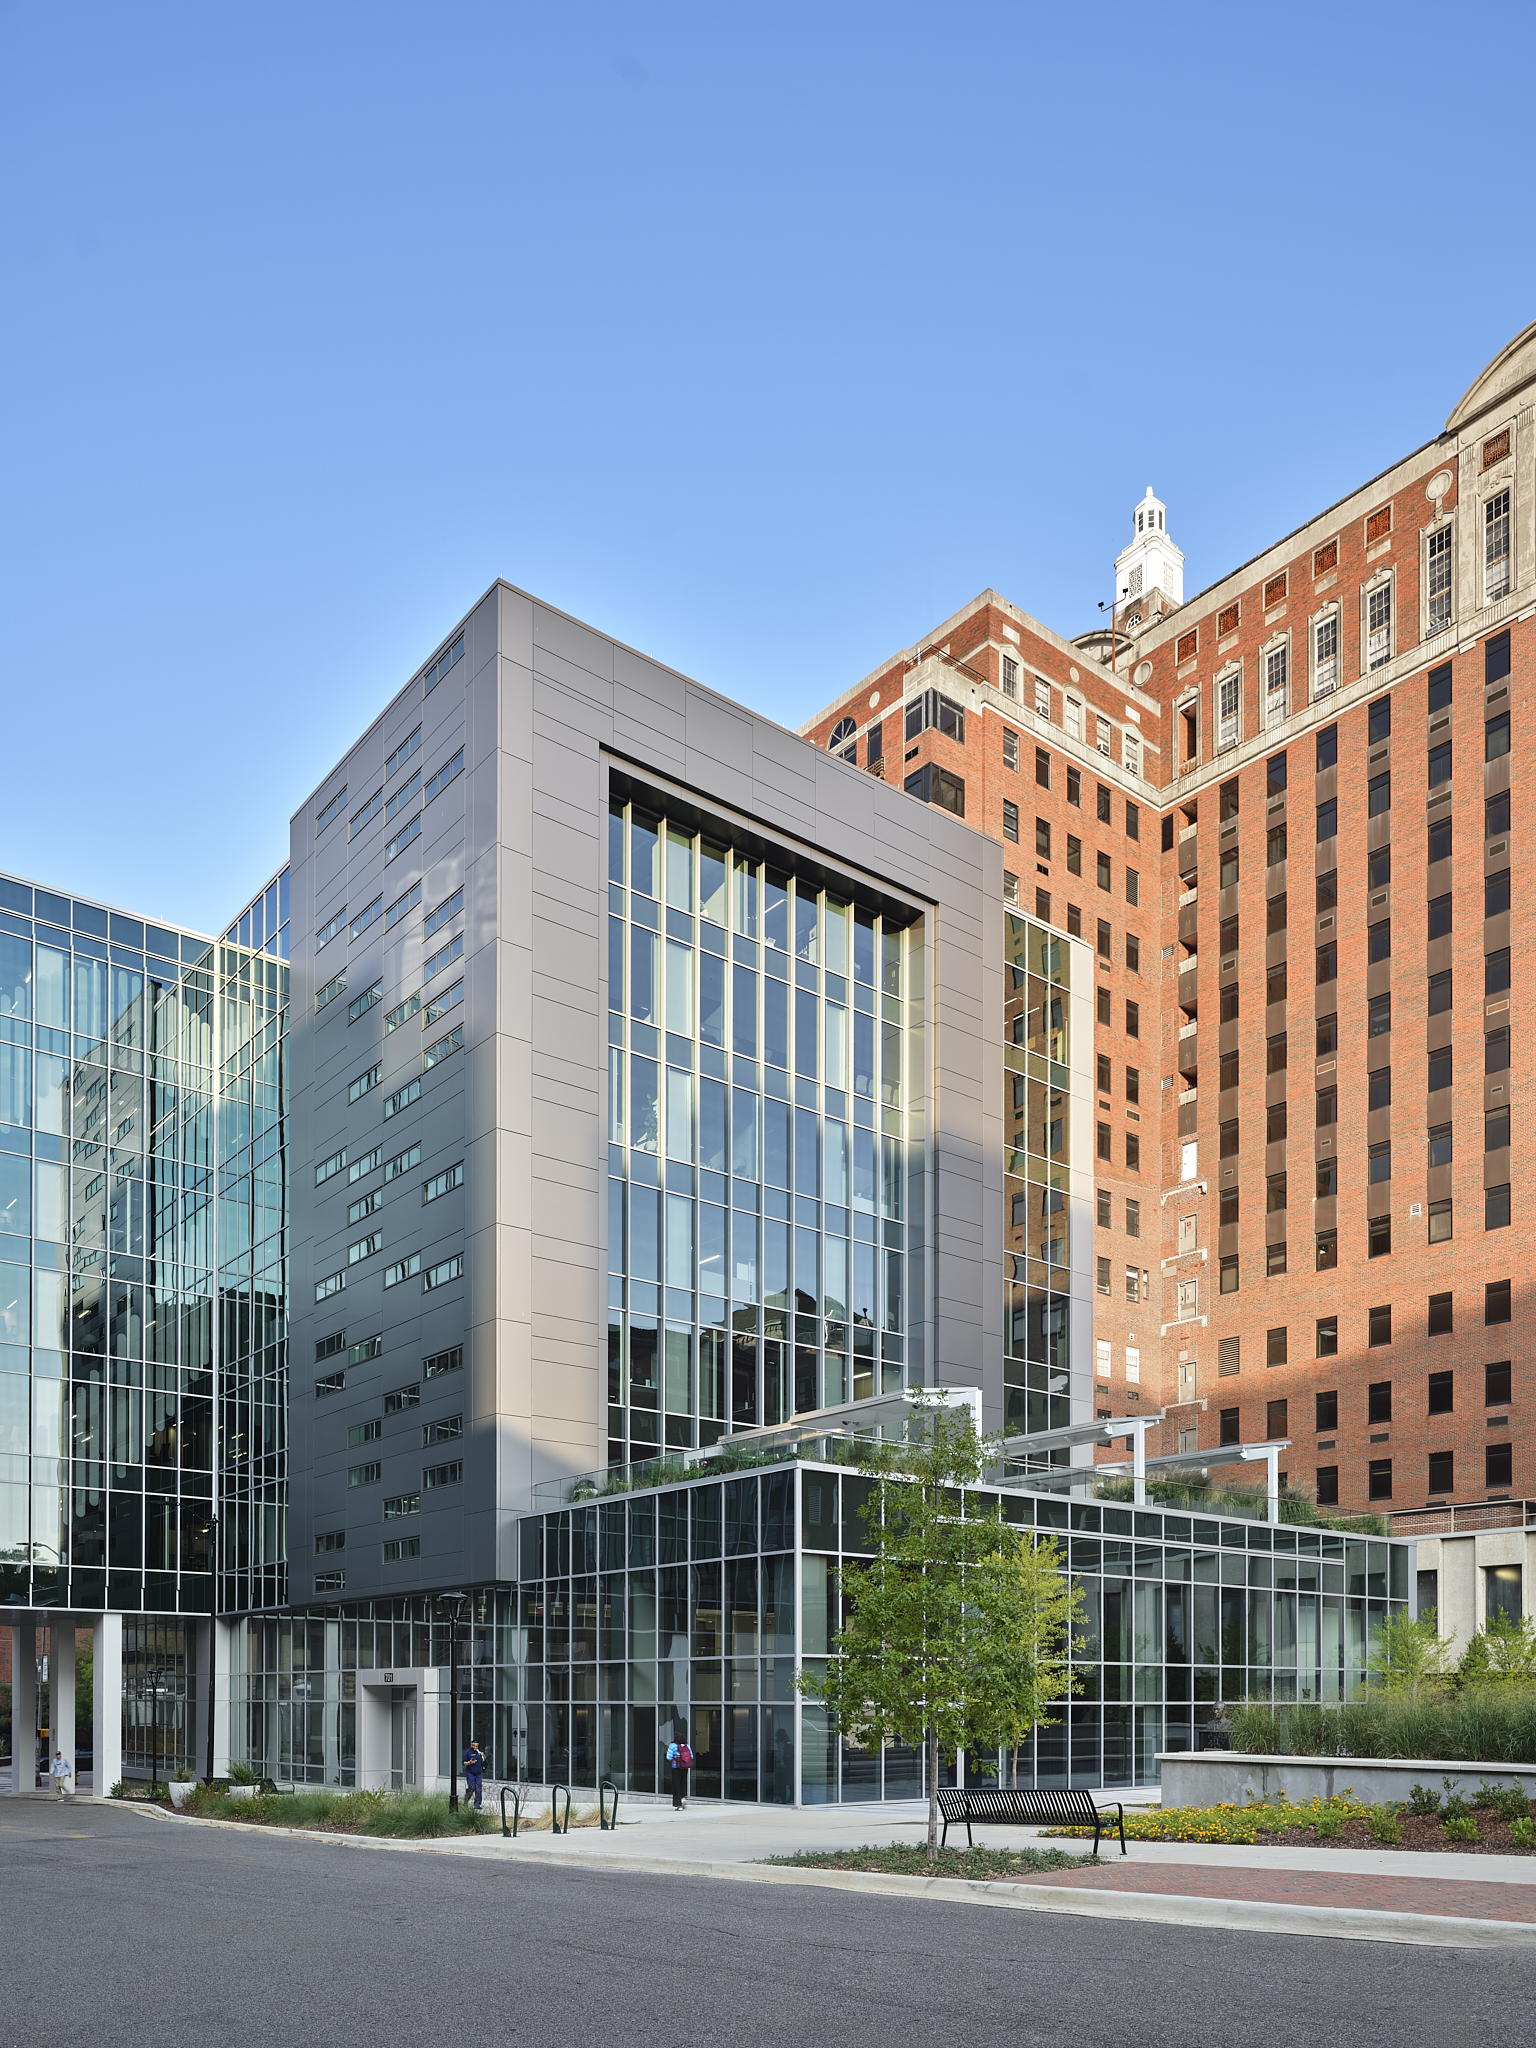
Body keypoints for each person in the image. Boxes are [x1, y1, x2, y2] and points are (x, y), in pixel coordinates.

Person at [666, 1732, 693, 1809]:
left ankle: (678, 1804)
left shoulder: (673, 1746)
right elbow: (691, 1756)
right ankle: (683, 1798)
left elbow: (669, 1757)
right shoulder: (686, 1745)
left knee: (676, 1786)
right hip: (685, 1767)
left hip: (676, 1768)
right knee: (682, 1784)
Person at [462, 1740, 485, 1808]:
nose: (475, 1747)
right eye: (474, 1746)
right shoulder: (468, 1752)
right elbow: (464, 1762)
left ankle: (477, 1803)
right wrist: (470, 1762)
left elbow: (484, 1759)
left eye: (476, 1746)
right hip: (470, 1772)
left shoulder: (479, 1752)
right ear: (471, 1745)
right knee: (471, 1787)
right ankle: (466, 1801)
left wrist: (483, 1755)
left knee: (478, 1788)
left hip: (479, 1772)